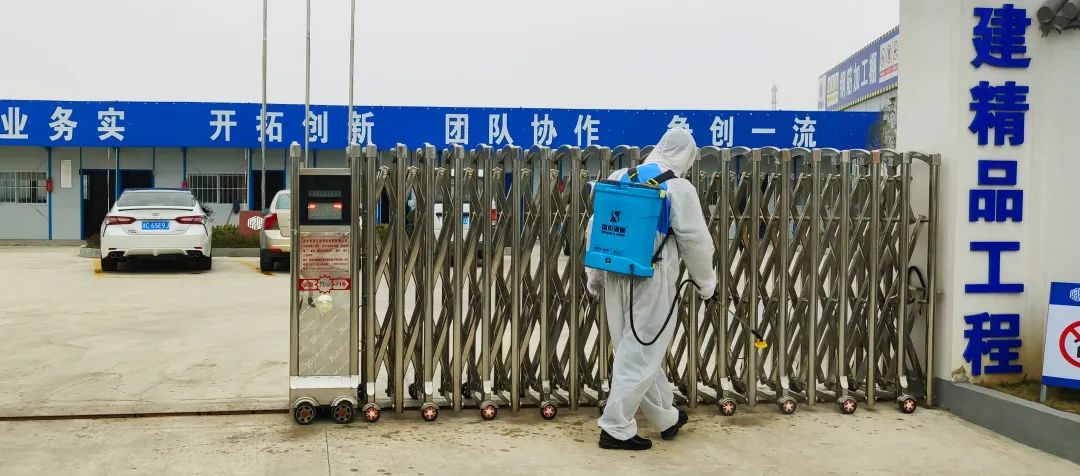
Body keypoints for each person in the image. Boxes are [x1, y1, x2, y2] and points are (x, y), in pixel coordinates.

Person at [585, 128, 717, 450]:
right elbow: (696, 242)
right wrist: (706, 283)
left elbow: (597, 228)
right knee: (640, 352)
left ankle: (665, 418)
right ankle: (615, 427)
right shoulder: (678, 188)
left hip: (616, 274)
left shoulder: (621, 175)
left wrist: (594, 276)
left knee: (638, 350)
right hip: (651, 278)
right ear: (687, 156)